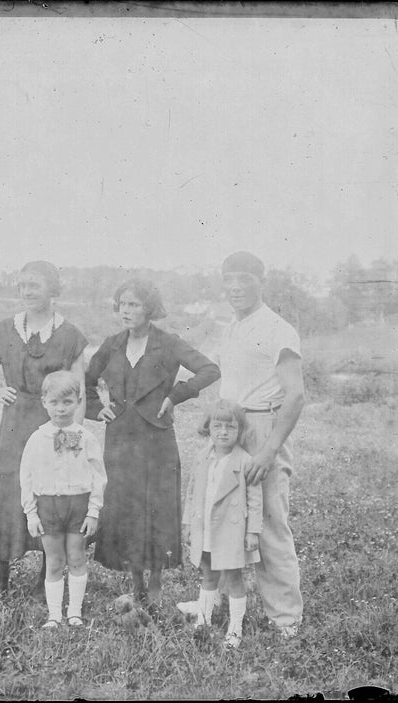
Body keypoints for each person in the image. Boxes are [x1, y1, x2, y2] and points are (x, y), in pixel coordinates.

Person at [85, 277, 220, 608]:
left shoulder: (168, 342)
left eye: (135, 304)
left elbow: (209, 369)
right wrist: (96, 409)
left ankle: (156, 588)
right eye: (123, 304)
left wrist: (175, 396)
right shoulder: (112, 344)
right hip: (119, 440)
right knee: (125, 508)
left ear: (150, 309)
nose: (126, 311)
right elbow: (85, 383)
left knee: (157, 510)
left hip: (157, 439)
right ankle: (135, 586)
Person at [0, 261, 88, 594]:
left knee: (52, 495)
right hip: (14, 424)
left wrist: (72, 436)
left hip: (53, 424)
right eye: (23, 285)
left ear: (52, 289)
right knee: (9, 493)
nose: (27, 292)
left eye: (35, 285)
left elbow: (80, 392)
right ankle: (1, 580)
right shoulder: (5, 329)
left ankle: (49, 579)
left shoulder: (70, 335)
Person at [217, 251, 305, 638]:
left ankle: (285, 619)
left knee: (268, 522)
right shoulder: (232, 327)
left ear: (261, 281)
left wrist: (268, 450)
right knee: (223, 518)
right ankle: (213, 601)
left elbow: (296, 395)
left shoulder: (277, 328)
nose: (235, 287)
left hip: (263, 426)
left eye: (244, 279)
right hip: (232, 424)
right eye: (229, 279)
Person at [20, 371, 107, 628]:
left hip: (77, 505)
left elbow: (98, 476)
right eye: (55, 402)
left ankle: (75, 612)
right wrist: (31, 514)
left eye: (67, 402)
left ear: (79, 402)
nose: (61, 409)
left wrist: (93, 511)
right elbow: (26, 477)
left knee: (77, 557)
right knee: (55, 560)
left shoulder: (85, 437)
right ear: (44, 402)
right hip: (48, 506)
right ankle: (55, 615)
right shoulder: (37, 439)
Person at [178, 400, 263, 649]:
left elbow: (255, 499)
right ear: (209, 428)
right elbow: (192, 492)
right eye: (217, 426)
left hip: (231, 531)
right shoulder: (203, 457)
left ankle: (235, 628)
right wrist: (187, 523)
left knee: (234, 578)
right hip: (205, 527)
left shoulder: (245, 461)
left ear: (240, 431)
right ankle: (203, 620)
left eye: (230, 427)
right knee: (208, 574)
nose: (223, 432)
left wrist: (253, 531)